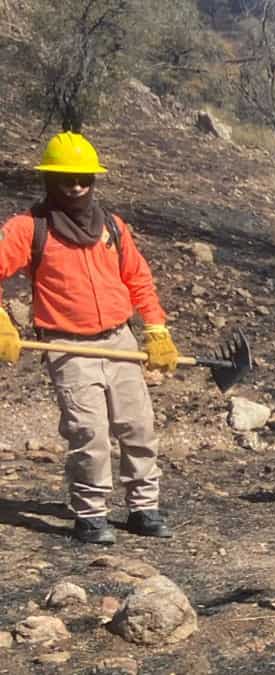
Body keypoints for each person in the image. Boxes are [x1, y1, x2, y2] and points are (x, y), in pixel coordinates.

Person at [0, 131, 180, 544]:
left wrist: (155, 330)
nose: (77, 186)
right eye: (68, 180)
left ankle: (143, 507)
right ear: (50, 181)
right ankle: (91, 514)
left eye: (84, 179)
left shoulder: (113, 227)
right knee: (89, 433)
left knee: (138, 427)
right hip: (68, 348)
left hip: (120, 341)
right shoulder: (29, 228)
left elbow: (139, 279)